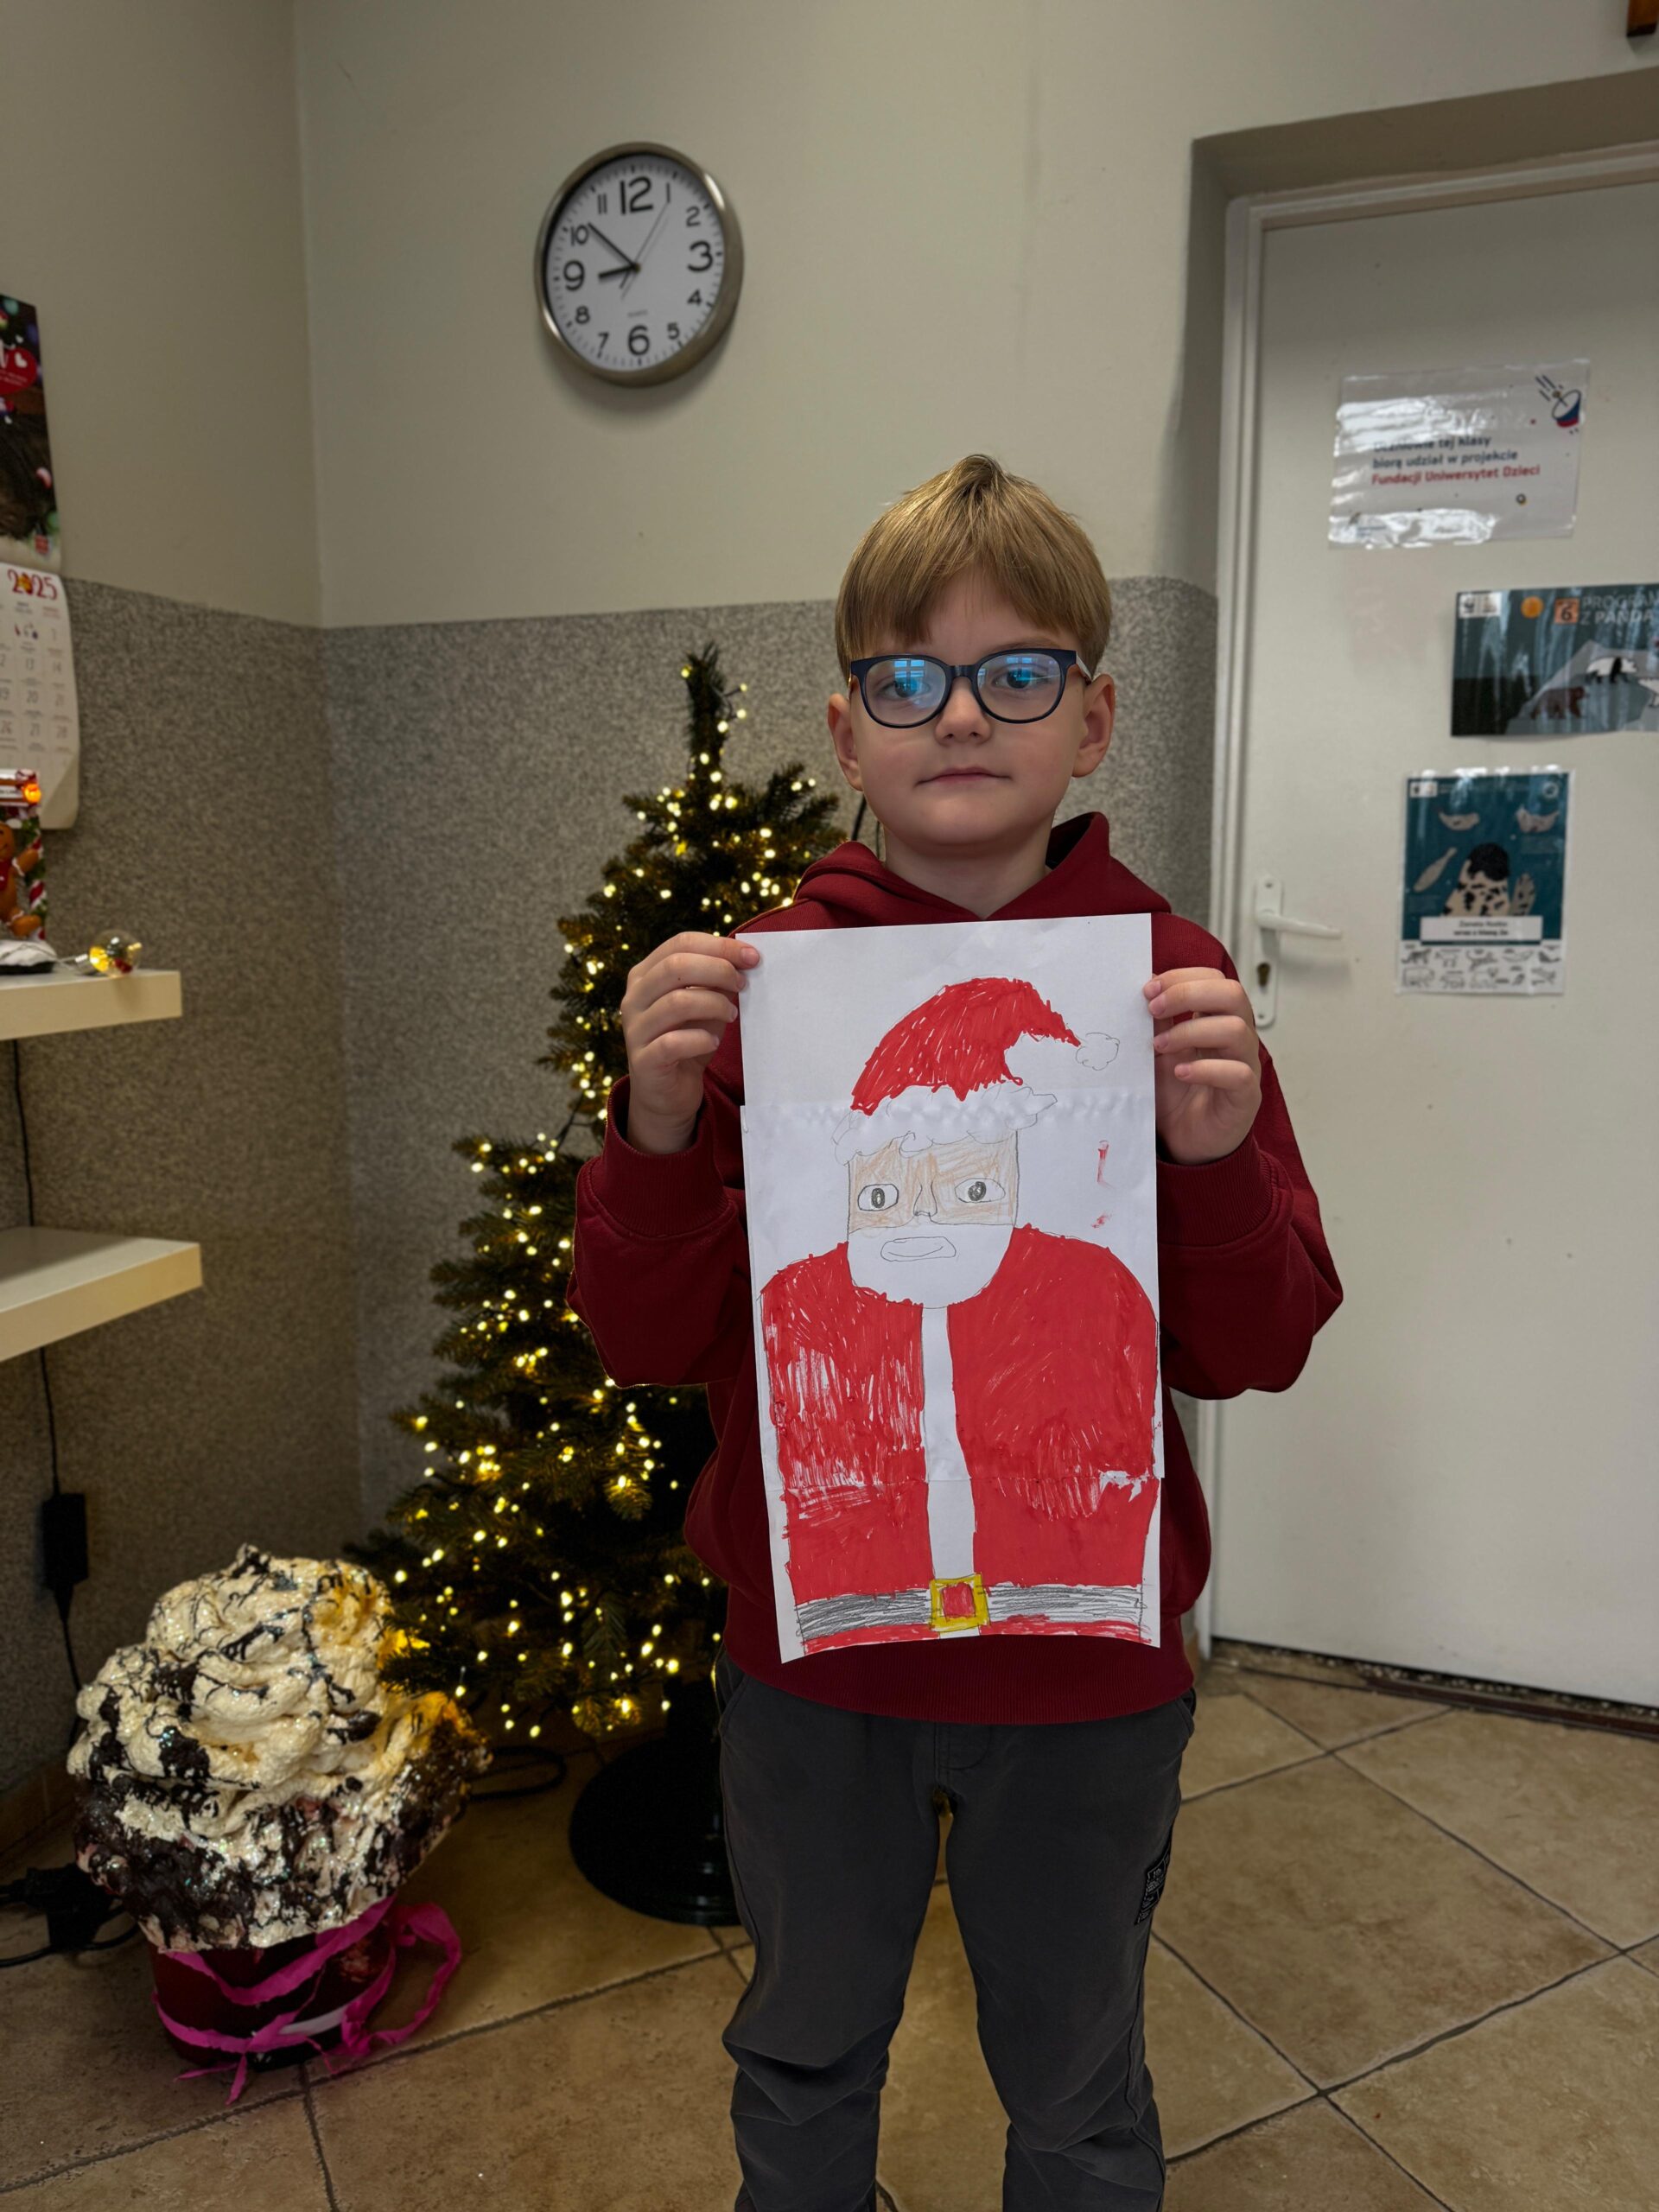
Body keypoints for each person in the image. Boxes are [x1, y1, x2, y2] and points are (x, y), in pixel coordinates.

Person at [569, 453, 1342, 2212]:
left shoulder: (1169, 984)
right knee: (804, 2047)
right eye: (911, 678)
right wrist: (658, 1127)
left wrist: (1214, 1156)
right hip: (815, 1662)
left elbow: (1256, 1346)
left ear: (1095, 718)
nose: (965, 715)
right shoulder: (757, 989)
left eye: (1020, 672)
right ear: (848, 730)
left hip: (1085, 1668)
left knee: (1075, 2076)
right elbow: (643, 1336)